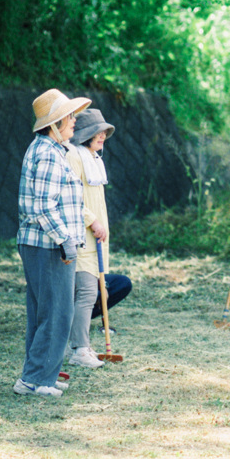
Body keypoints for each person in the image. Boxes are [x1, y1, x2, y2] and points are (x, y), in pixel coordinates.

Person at [14, 88, 91, 398]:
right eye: (69, 117)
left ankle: (38, 375)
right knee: (57, 313)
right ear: (55, 122)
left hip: (43, 244)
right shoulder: (47, 152)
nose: (74, 121)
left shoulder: (49, 149)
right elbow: (43, 206)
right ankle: (37, 381)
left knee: (44, 312)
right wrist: (65, 241)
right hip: (47, 245)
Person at [66, 108, 132, 368]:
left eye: (104, 131)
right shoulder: (73, 156)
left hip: (97, 242)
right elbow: (69, 197)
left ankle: (84, 346)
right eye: (98, 131)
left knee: (96, 291)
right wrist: (90, 220)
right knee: (85, 294)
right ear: (84, 133)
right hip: (81, 238)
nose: (103, 135)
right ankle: (79, 350)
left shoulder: (93, 158)